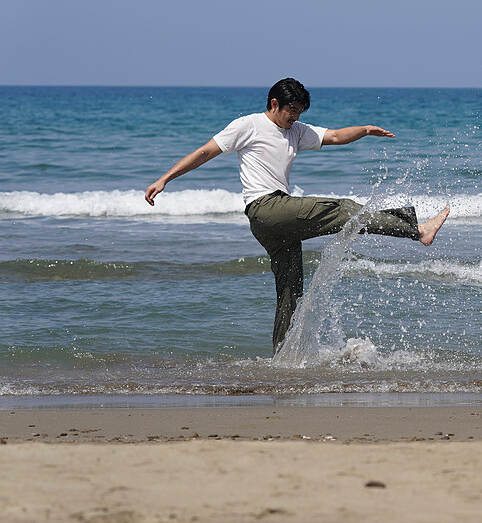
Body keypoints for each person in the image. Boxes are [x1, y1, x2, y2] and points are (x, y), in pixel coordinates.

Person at [145, 78, 449, 353]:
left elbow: (335, 136)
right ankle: (417, 230)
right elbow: (204, 152)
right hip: (266, 209)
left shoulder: (296, 131)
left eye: (301, 111)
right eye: (292, 110)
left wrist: (366, 130)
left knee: (290, 293)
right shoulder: (247, 125)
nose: (296, 117)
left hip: (276, 223)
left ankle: (282, 359)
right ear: (274, 104)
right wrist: (165, 179)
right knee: (342, 208)